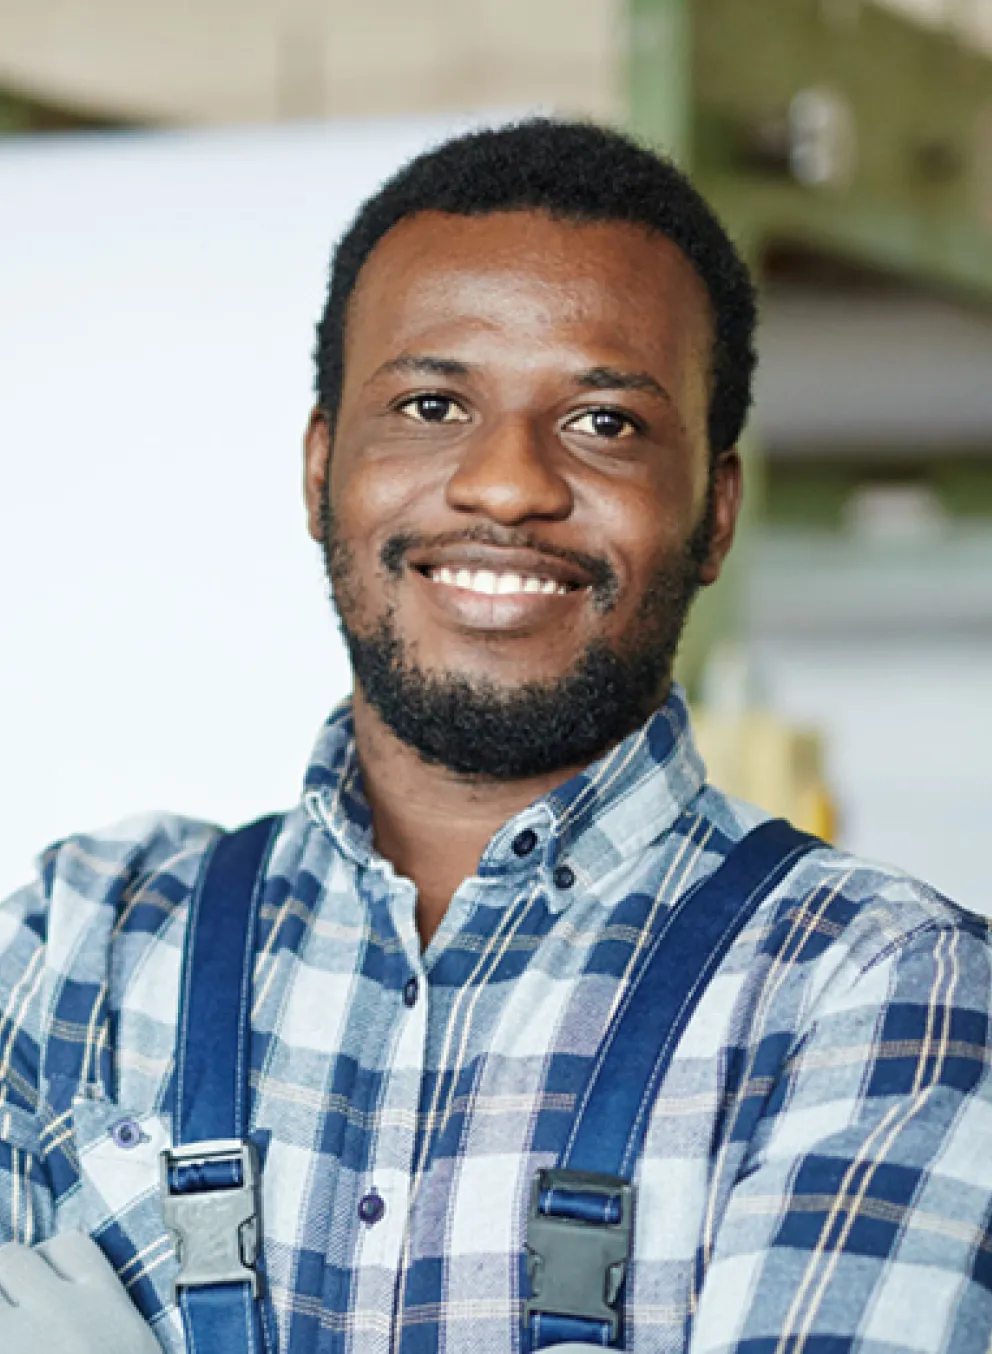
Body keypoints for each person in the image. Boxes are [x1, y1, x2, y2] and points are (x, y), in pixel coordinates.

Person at [0, 117, 990, 1354]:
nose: (507, 483)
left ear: (713, 512)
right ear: (320, 473)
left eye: (603, 424)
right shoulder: (79, 942)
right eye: (430, 403)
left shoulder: (877, 998)